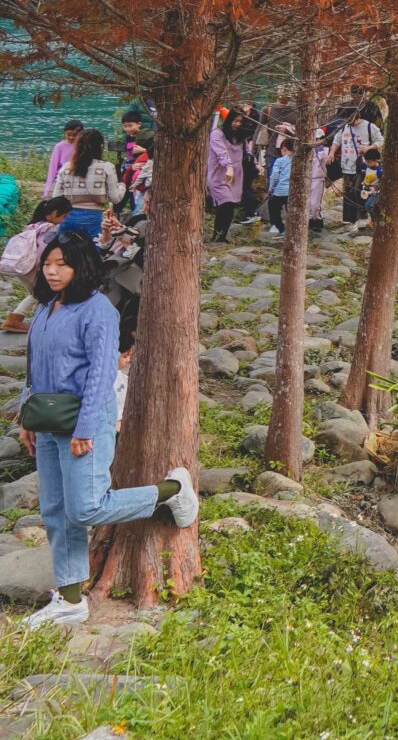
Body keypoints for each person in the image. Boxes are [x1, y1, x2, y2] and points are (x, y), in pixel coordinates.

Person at [12, 228, 196, 630]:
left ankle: (172, 492)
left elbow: (100, 372)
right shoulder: (47, 309)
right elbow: (33, 368)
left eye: (62, 264)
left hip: (85, 423)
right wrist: (25, 419)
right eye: (48, 264)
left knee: (87, 507)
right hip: (47, 422)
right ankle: (71, 599)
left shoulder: (98, 311)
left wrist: (84, 428)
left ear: (83, 267)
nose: (53, 271)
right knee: (56, 512)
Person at [1, 198, 69, 336]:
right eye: (64, 216)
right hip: (35, 267)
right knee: (46, 294)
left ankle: (15, 318)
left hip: (23, 267)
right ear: (55, 213)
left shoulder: (33, 226)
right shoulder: (49, 228)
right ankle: (40, 321)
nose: (64, 220)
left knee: (36, 294)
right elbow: (44, 251)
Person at [59, 131, 117, 242]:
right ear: (100, 146)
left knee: (65, 252)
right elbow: (115, 198)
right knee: (92, 254)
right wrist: (122, 186)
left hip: (68, 216)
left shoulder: (67, 167)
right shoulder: (106, 167)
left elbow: (57, 195)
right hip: (93, 217)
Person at [204, 109, 250, 244]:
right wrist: (229, 167)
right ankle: (217, 235)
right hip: (219, 174)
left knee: (230, 206)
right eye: (235, 121)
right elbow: (221, 153)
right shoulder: (217, 134)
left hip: (235, 176)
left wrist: (256, 164)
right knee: (225, 203)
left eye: (240, 121)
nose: (237, 124)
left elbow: (246, 152)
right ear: (229, 120)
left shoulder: (240, 137)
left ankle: (222, 236)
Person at [263, 132, 296, 234]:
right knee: (291, 212)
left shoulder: (280, 161)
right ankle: (293, 230)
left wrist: (270, 190)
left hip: (279, 191)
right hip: (292, 191)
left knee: (273, 209)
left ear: (284, 149)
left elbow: (274, 176)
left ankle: (280, 228)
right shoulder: (298, 160)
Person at [41, 120, 78, 196]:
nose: (71, 137)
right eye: (68, 134)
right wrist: (47, 190)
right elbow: (52, 168)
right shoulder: (59, 147)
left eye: (75, 135)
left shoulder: (84, 146)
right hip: (62, 180)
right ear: (64, 133)